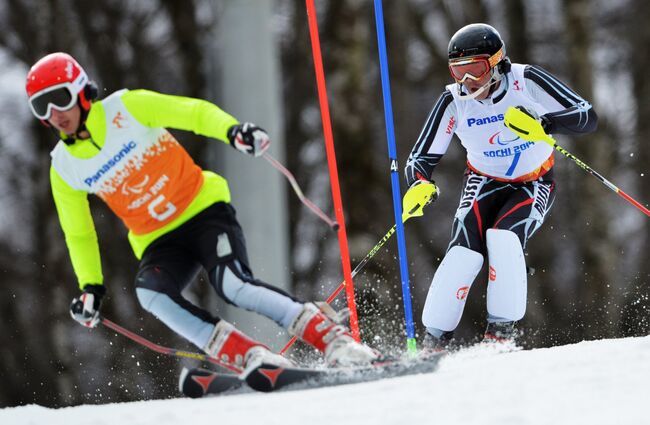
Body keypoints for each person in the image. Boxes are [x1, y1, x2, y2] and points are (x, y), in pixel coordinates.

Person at [25, 52, 377, 373]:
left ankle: (333, 339)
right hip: (158, 240)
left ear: (82, 93)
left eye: (60, 98)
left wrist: (232, 131)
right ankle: (250, 356)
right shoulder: (64, 167)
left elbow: (193, 112)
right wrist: (91, 287)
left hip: (203, 210)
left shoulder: (126, 108)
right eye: (42, 106)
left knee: (234, 286)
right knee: (151, 293)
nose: (55, 113)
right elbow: (79, 232)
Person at [404, 24, 597, 346]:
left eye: (475, 70)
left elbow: (586, 117)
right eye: (458, 72)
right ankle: (432, 343)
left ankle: (500, 336)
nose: (467, 82)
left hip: (533, 182)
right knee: (462, 252)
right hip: (483, 181)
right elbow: (420, 158)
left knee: (504, 240)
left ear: (497, 63)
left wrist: (543, 123)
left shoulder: (526, 80)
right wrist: (420, 184)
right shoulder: (454, 100)